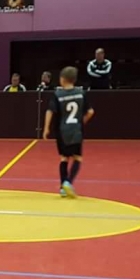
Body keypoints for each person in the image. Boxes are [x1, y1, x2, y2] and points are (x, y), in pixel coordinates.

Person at [43, 66, 95, 198]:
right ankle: (69, 182)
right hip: (76, 130)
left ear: (62, 79)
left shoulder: (58, 95)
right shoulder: (81, 93)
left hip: (62, 131)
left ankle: (62, 187)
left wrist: (46, 128)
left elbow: (50, 111)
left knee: (64, 157)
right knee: (77, 157)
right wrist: (81, 121)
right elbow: (90, 112)